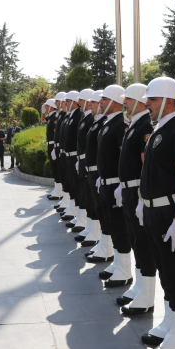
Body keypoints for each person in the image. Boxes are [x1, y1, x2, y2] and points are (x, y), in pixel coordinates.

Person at [139, 76, 175, 349]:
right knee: (164, 270)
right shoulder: (159, 129)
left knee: (174, 272)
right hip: (153, 210)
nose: (147, 104)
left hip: (167, 212)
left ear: (169, 101)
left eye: (153, 99)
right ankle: (171, 323)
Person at [117, 83, 158, 316]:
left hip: (137, 192)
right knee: (135, 241)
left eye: (129, 99)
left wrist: (142, 197)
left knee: (142, 244)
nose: (125, 103)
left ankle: (146, 296)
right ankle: (140, 287)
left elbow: (145, 165)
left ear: (140, 101)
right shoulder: (135, 123)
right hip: (129, 190)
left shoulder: (145, 126)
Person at [93, 85, 133, 289]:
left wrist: (120, 182)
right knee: (110, 224)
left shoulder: (121, 124)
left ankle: (125, 270)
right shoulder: (110, 123)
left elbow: (124, 156)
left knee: (120, 227)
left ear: (116, 102)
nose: (101, 102)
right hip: (106, 184)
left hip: (116, 185)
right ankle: (118, 263)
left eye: (105, 99)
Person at [76, 90, 104, 248]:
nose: (92, 105)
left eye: (94, 102)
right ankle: (94, 232)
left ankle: (98, 237)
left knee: (97, 206)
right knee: (90, 201)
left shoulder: (100, 122)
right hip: (89, 167)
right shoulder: (94, 121)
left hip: (97, 170)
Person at [69, 88, 94, 233]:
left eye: (82, 101)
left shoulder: (91, 119)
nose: (80, 103)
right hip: (82, 160)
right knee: (83, 193)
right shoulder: (86, 118)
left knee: (89, 196)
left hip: (88, 162)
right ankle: (89, 226)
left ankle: (92, 229)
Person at [61, 90, 83, 222]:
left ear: (75, 102)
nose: (65, 104)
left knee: (79, 188)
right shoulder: (70, 116)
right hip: (68, 155)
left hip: (75, 156)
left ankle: (82, 217)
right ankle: (75, 210)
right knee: (72, 185)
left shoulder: (78, 116)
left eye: (68, 101)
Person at [45, 98, 62, 201]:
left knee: (56, 168)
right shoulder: (51, 117)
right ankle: (57, 189)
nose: (45, 107)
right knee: (54, 168)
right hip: (50, 144)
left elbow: (56, 133)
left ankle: (59, 191)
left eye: (47, 106)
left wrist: (55, 148)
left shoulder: (54, 117)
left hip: (53, 145)